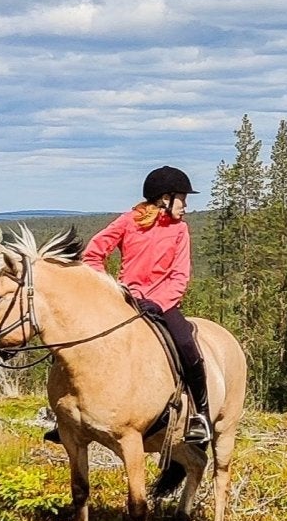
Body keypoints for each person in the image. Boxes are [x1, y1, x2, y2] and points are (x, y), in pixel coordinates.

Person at [82, 165, 212, 451]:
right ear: (165, 198)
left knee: (187, 346)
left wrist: (160, 302)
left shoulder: (180, 230)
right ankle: (66, 415)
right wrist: (109, 291)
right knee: (81, 342)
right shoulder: (128, 222)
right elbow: (93, 255)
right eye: (183, 198)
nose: (186, 205)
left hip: (162, 305)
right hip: (125, 302)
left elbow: (180, 275)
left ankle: (200, 415)